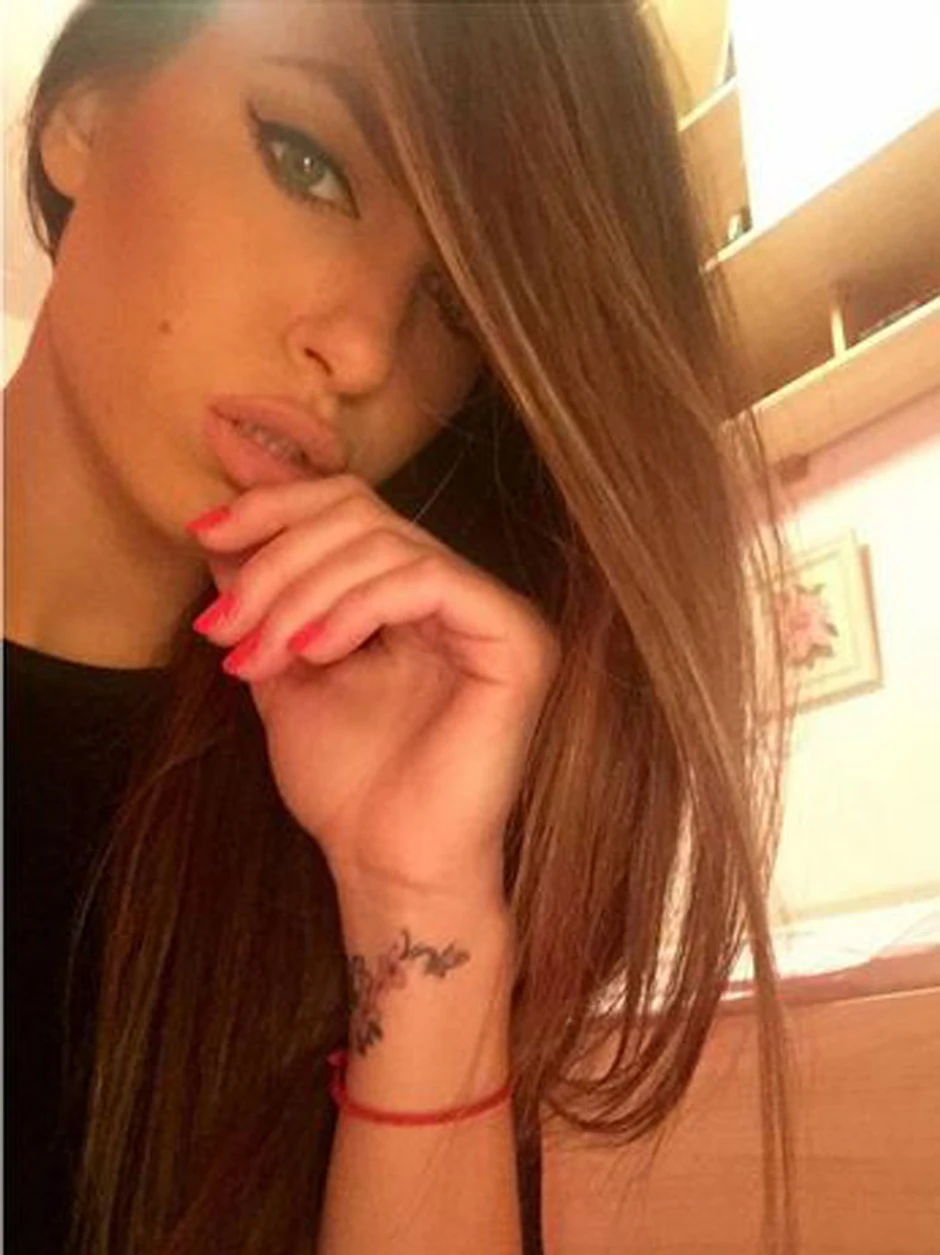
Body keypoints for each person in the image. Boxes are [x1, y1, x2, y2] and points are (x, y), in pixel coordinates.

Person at [4, 2, 799, 1253]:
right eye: (307, 161)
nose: (365, 350)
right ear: (84, 119)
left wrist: (415, 898)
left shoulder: (359, 811)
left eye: (458, 308)